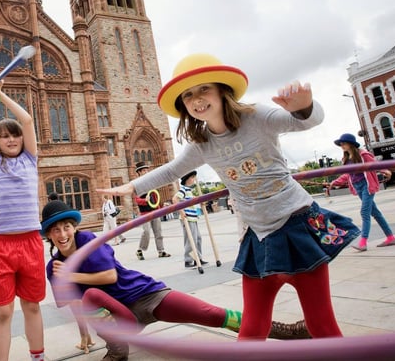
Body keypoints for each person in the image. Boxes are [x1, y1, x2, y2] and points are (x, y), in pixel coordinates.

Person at [97, 53, 360, 340]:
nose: (196, 99)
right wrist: (132, 187)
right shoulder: (201, 144)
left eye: (203, 89)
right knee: (251, 328)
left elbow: (305, 122)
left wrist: (305, 106)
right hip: (258, 237)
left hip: (296, 226)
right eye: (188, 95)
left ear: (223, 90)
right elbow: (171, 170)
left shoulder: (256, 116)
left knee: (321, 324)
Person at [41, 200, 311, 361]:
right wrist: (85, 335)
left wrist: (71, 274)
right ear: (50, 236)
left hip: (146, 295)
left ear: (75, 227)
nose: (62, 233)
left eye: (66, 227)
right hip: (122, 318)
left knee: (210, 313)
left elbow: (109, 276)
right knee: (89, 298)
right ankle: (117, 348)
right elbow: (76, 305)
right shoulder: (53, 268)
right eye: (55, 230)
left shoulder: (89, 241)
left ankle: (287, 331)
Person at [0, 75, 45, 361]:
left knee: (32, 305)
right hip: (1, 244)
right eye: (4, 135)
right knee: (3, 310)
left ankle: (37, 356)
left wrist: (2, 96)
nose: (12, 138)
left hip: (30, 241)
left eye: (14, 135)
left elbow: (27, 121)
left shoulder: (30, 158)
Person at [329, 133, 395, 252]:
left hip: (367, 185)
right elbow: (347, 174)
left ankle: (363, 242)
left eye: (343, 143)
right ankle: (391, 237)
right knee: (376, 213)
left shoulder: (363, 154)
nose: (341, 145)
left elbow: (374, 164)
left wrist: (385, 170)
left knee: (364, 212)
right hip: (358, 187)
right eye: (340, 144)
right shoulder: (346, 158)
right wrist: (335, 182)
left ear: (351, 144)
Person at [134, 161, 170, 260]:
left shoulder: (151, 183)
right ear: (139, 172)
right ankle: (140, 250)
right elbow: (137, 200)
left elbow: (155, 197)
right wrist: (144, 200)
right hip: (145, 213)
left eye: (147, 170)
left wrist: (161, 207)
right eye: (144, 170)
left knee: (158, 232)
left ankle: (161, 251)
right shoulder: (136, 184)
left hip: (155, 211)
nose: (146, 172)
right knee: (146, 232)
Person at [173, 170, 207, 268]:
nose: (194, 180)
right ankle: (188, 260)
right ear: (187, 179)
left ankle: (198, 258)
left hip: (193, 217)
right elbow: (175, 199)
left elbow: (192, 200)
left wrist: (200, 201)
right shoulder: (183, 189)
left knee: (198, 238)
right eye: (192, 177)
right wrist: (181, 211)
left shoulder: (189, 190)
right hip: (187, 217)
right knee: (190, 239)